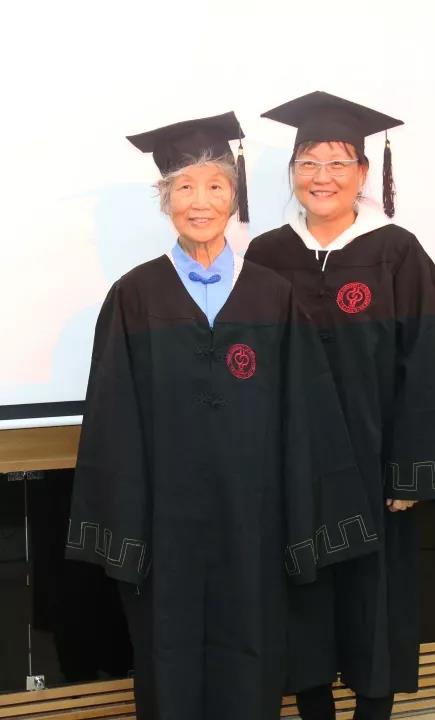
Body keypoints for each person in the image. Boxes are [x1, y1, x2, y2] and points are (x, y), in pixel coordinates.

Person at [66, 110, 377, 720]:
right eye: (184, 187)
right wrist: (126, 524)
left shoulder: (271, 295)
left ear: (235, 198)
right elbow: (111, 418)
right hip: (165, 519)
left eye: (215, 186)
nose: (200, 202)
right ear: (166, 201)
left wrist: (301, 512)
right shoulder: (135, 295)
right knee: (168, 649)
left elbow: (305, 411)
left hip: (253, 514)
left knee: (252, 647)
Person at [245, 91, 435, 720]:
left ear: (364, 172)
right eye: (308, 163)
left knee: (376, 597)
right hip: (295, 463)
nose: (321, 177)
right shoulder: (266, 255)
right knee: (304, 593)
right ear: (292, 171)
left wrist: (410, 470)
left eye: (337, 163)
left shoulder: (398, 252)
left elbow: (424, 361)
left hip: (376, 464)